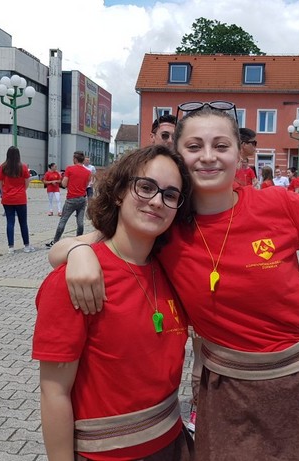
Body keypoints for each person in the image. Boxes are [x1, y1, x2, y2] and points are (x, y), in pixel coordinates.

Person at [49, 104, 299, 460]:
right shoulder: (166, 221)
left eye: (221, 146)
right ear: (179, 156)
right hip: (228, 391)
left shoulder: (278, 204)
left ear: (240, 154)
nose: (208, 156)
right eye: (194, 146)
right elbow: (75, 247)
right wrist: (77, 253)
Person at [34, 145, 194, 461]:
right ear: (119, 192)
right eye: (145, 187)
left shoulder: (172, 270)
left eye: (170, 195)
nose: (157, 201)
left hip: (173, 443)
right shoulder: (76, 280)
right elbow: (54, 392)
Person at [46, 151, 91, 247]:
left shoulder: (70, 169)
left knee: (63, 220)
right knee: (80, 222)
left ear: (75, 159)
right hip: (82, 199)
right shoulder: (88, 172)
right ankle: (79, 241)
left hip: (71, 199)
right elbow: (86, 185)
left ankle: (55, 241)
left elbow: (64, 184)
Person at [0, 146, 34, 254]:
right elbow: (27, 182)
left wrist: (4, 191)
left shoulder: (3, 167)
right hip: (20, 198)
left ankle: (11, 247)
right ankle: (26, 246)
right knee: (23, 222)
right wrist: (22, 190)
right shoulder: (23, 166)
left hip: (7, 198)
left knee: (10, 222)